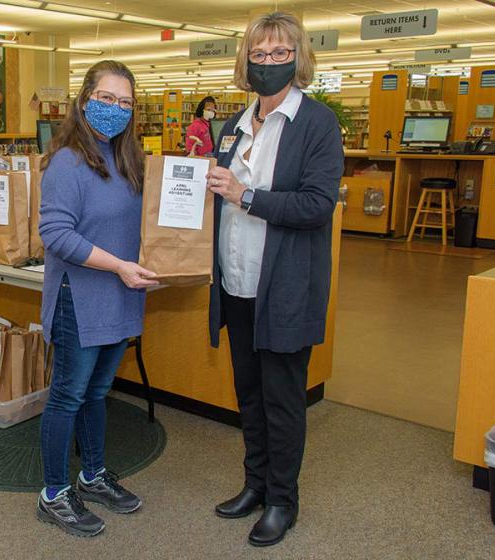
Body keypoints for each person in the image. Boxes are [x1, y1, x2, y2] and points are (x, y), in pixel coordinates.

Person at [205, 12, 343, 547]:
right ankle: (255, 485)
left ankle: (283, 500)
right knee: (249, 393)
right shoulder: (232, 125)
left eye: (279, 53)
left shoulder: (317, 123)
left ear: (298, 58)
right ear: (246, 60)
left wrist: (245, 195)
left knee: (283, 398)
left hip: (282, 288)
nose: (268, 63)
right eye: (259, 54)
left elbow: (316, 205)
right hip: (236, 283)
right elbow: (217, 199)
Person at [37, 60, 158, 538]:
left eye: (125, 102)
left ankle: (92, 475)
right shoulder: (68, 160)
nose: (115, 109)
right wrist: (120, 266)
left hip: (119, 297)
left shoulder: (128, 159)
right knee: (67, 396)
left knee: (98, 392)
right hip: (80, 300)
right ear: (85, 99)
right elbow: (56, 235)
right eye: (106, 99)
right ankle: (52, 492)